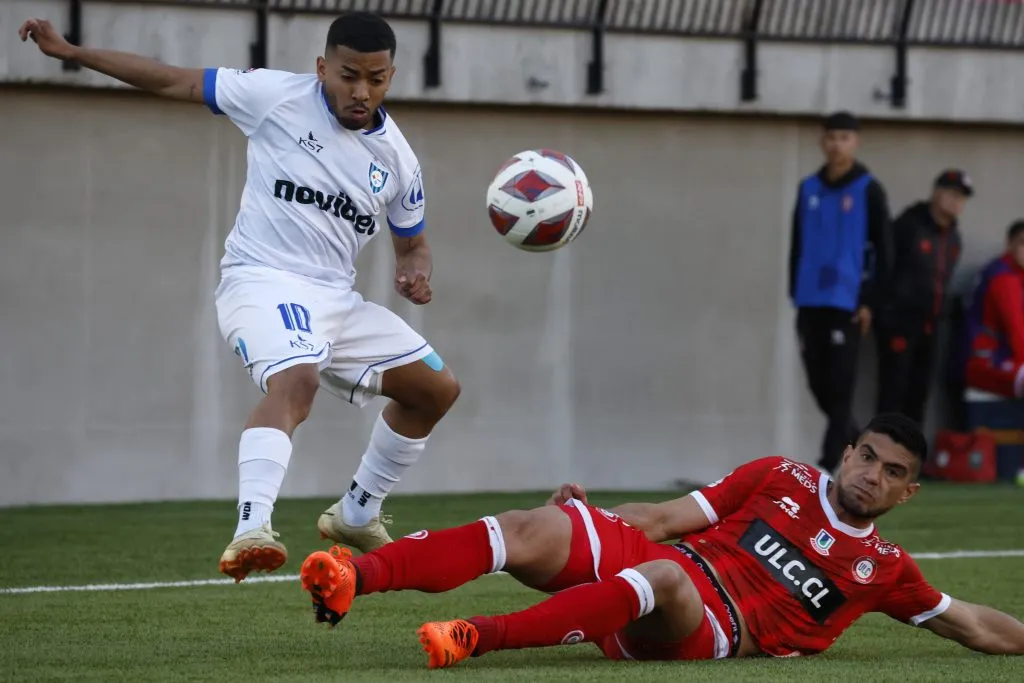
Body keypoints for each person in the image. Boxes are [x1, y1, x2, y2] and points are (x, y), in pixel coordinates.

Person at [18, 12, 461, 581]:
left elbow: (413, 245)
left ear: (391, 77)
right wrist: (73, 52)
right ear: (323, 68)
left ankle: (356, 513)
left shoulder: (398, 160)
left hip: (336, 300)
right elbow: (172, 78)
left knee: (435, 389)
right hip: (261, 279)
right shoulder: (274, 95)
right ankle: (251, 527)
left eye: (375, 79)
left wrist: (415, 275)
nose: (361, 91)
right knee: (296, 380)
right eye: (349, 75)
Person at [300, 413, 1024, 669]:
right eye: (866, 455)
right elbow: (670, 520)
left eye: (892, 471)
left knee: (668, 581)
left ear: (908, 492)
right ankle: (356, 574)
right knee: (535, 525)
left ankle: (476, 638)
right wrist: (595, 518)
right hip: (668, 560)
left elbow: (971, 623)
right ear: (846, 452)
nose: (871, 474)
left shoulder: (886, 569)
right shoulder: (780, 474)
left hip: (706, 627)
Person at [789, 111, 892, 473]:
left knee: (841, 386)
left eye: (844, 137)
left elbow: (883, 249)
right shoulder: (808, 188)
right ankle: (869, 450)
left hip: (846, 302)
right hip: (809, 301)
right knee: (823, 390)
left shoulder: (867, 188)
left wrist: (870, 301)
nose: (837, 144)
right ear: (822, 141)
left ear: (856, 142)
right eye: (831, 137)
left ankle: (827, 465)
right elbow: (797, 243)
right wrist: (794, 292)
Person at [875, 170, 972, 425]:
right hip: (900, 326)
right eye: (952, 194)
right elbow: (882, 269)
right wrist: (886, 317)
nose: (956, 202)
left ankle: (909, 462)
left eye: (962, 198)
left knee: (918, 398)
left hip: (930, 329)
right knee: (892, 394)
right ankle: (881, 459)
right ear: (936, 193)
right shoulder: (909, 225)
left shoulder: (953, 237)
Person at [964, 220, 1024, 399]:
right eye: (1022, 243)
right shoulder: (1003, 277)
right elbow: (1017, 332)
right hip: (986, 362)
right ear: (1009, 244)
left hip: (1005, 359)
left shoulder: (1017, 274)